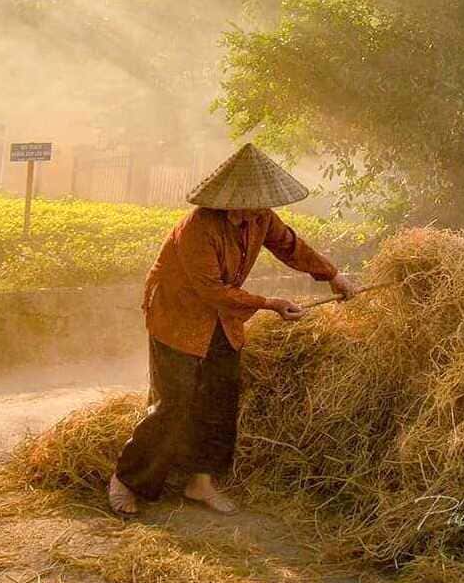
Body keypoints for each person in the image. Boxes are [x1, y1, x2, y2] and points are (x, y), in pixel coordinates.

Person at [108, 143, 355, 515]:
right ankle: (127, 480)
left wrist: (331, 275)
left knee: (219, 399)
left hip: (223, 317)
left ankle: (200, 483)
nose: (257, 209)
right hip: (178, 316)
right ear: (229, 200)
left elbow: (290, 246)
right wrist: (270, 304)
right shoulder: (197, 228)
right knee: (174, 402)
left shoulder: (261, 219)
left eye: (261, 202)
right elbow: (212, 290)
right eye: (250, 202)